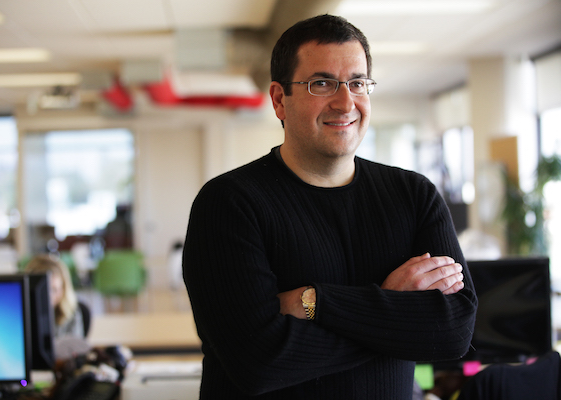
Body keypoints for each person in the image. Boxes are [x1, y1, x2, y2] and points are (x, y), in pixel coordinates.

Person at [182, 14, 478, 399]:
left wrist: (314, 302)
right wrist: (394, 312)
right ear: (279, 100)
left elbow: (454, 334)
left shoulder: (413, 194)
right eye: (322, 83)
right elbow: (259, 362)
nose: (345, 102)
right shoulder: (228, 204)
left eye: (358, 83)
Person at [25, 253, 85, 339]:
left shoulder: (72, 313)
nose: (48, 296)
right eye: (43, 291)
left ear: (64, 289)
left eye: (54, 290)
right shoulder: (19, 314)